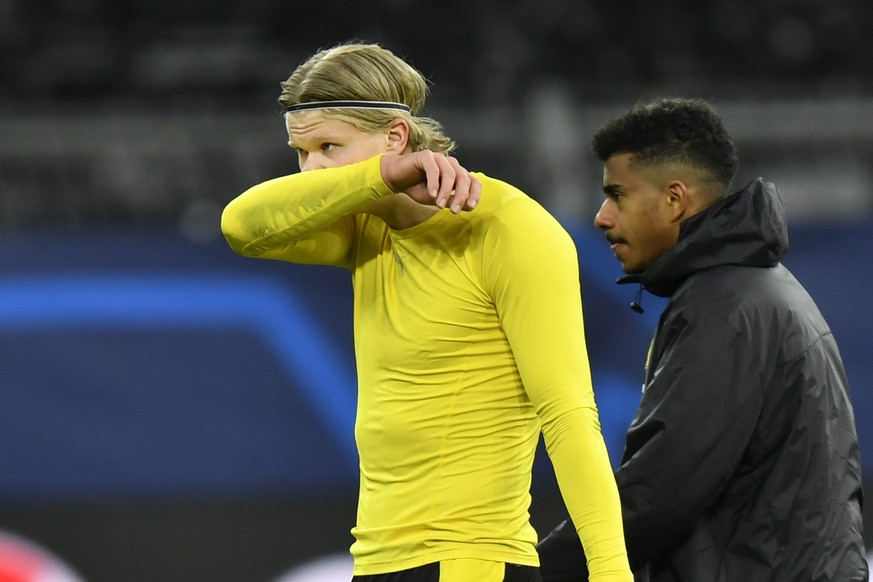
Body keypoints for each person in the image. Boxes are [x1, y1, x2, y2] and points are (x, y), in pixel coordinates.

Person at [221, 42, 633, 582]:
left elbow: (569, 416)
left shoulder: (509, 229)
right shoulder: (363, 227)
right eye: (301, 152)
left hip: (468, 561)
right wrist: (379, 177)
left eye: (328, 146)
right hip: (378, 561)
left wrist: (611, 573)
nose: (310, 170)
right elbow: (241, 227)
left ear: (395, 137)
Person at [537, 97, 868, 581]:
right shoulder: (751, 289)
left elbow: (661, 487)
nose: (602, 217)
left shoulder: (726, 307)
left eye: (617, 195)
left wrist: (537, 571)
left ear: (674, 199)